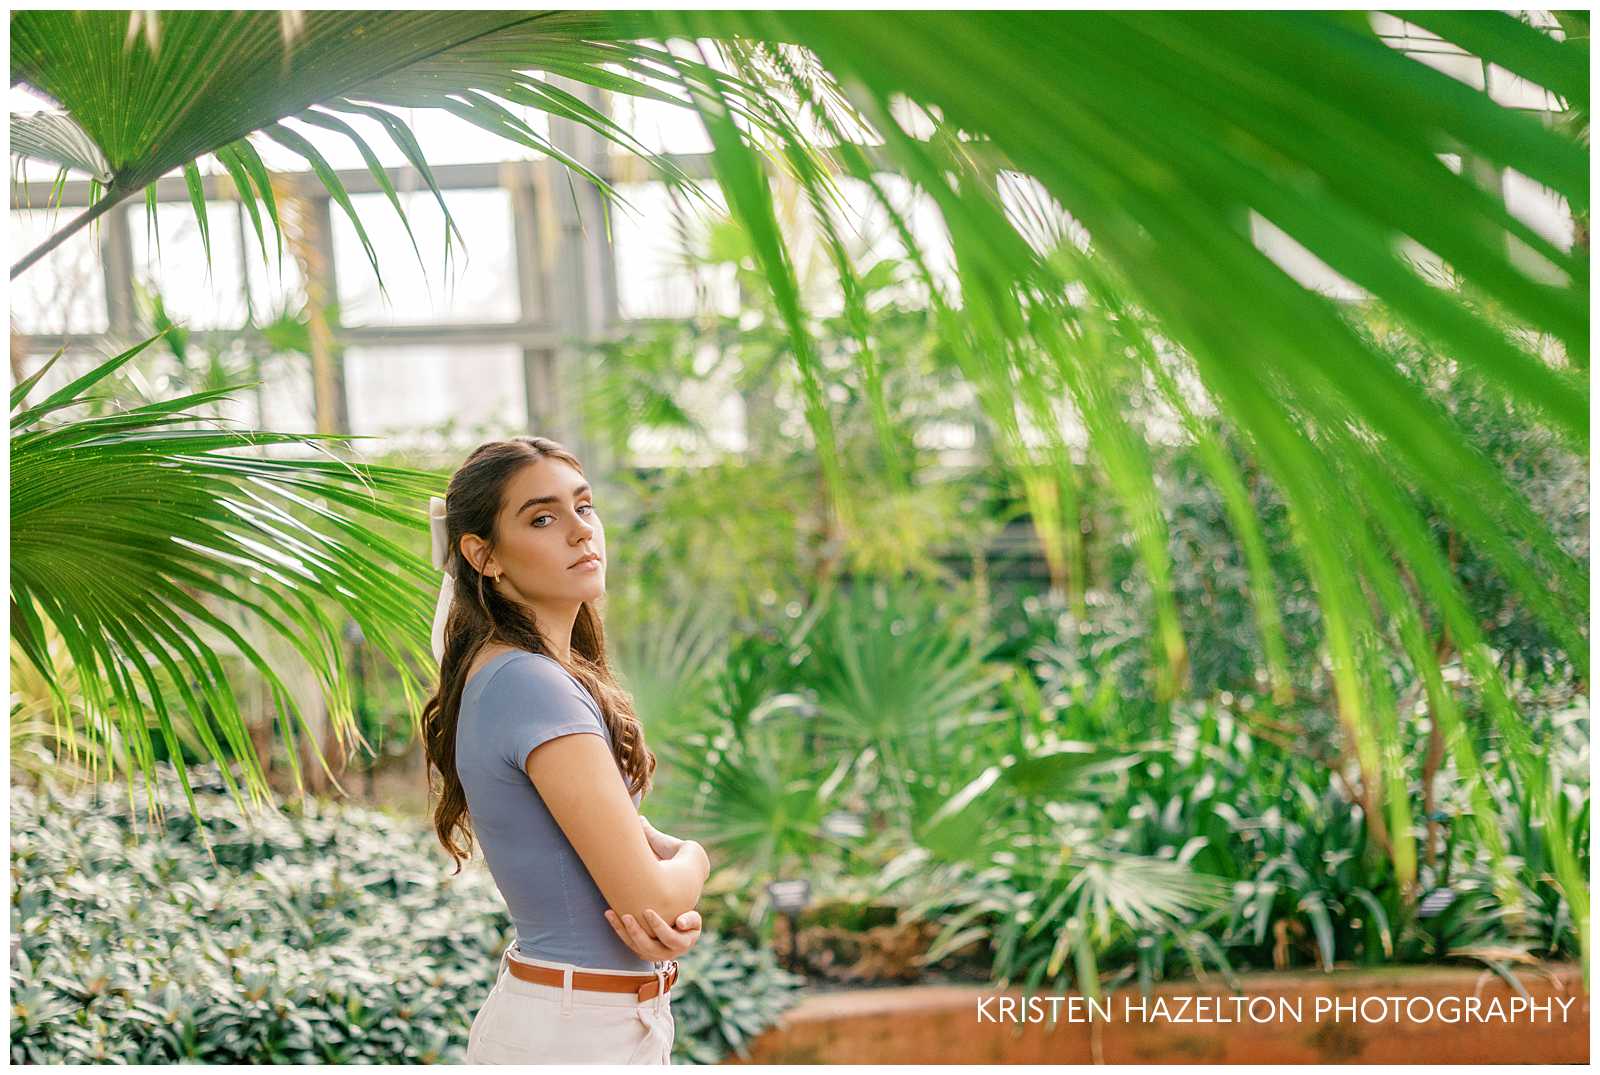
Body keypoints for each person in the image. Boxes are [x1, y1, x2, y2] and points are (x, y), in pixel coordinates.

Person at [419, 436, 710, 1064]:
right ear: (483, 556)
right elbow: (653, 895)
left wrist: (660, 898)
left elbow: (626, 863)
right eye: (543, 518)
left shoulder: (528, 673)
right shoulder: (528, 682)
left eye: (585, 507)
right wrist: (696, 861)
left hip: (587, 1019)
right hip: (575, 1035)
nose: (581, 532)